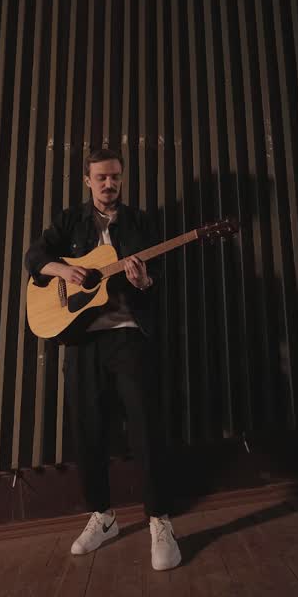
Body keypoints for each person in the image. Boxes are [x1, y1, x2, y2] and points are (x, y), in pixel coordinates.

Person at [23, 148, 181, 571]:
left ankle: (159, 521)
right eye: (101, 178)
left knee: (145, 427)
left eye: (115, 177)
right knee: (87, 430)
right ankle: (103, 517)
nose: (109, 184)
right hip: (80, 341)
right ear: (87, 181)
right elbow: (34, 258)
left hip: (128, 338)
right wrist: (64, 270)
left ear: (122, 179)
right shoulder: (70, 221)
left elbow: (157, 285)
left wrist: (144, 281)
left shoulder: (140, 223)